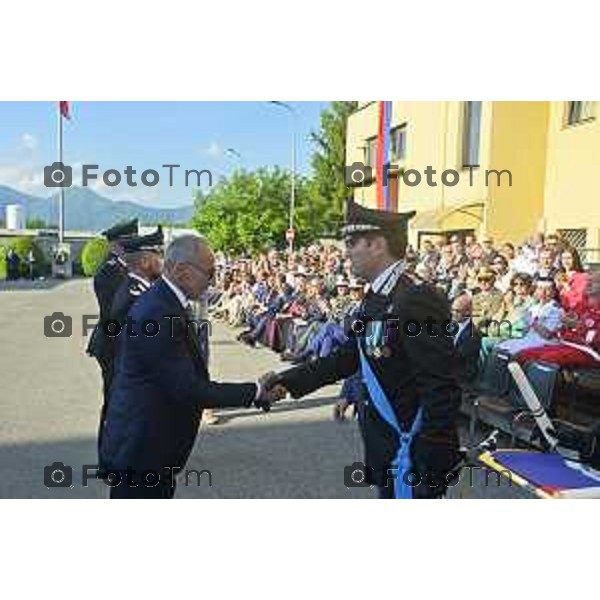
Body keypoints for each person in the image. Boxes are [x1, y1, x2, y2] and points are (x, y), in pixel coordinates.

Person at [262, 199, 462, 499]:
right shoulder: (377, 297)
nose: (347, 252)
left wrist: (432, 467)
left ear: (377, 244)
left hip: (413, 454)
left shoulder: (416, 299)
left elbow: (441, 387)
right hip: (389, 447)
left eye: (352, 243)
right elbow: (352, 355)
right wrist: (288, 381)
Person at [99, 234, 284, 498]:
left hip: (149, 447)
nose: (213, 281)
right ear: (182, 271)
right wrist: (255, 391)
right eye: (209, 273)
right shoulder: (157, 311)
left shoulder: (165, 302)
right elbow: (187, 387)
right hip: (142, 451)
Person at [95, 226, 165, 466]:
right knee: (116, 401)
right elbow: (112, 319)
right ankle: (109, 457)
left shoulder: (123, 270)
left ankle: (120, 452)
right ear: (118, 243)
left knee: (124, 401)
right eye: (128, 240)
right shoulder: (111, 271)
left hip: (120, 345)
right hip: (113, 346)